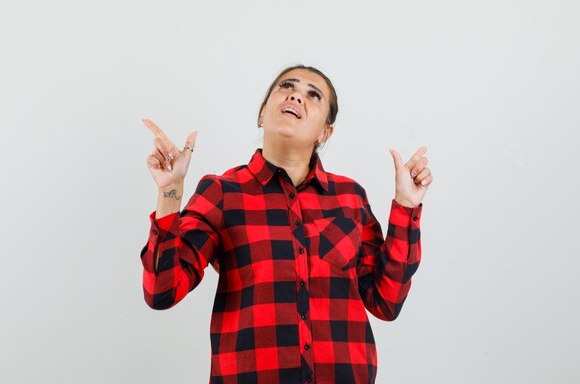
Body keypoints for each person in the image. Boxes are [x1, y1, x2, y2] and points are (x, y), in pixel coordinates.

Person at [140, 64, 433, 384]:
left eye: (313, 95)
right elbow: (162, 291)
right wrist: (170, 193)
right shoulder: (222, 192)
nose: (296, 95)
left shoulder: (350, 197)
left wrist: (407, 206)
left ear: (325, 132)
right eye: (286, 87)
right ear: (263, 113)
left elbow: (385, 301)